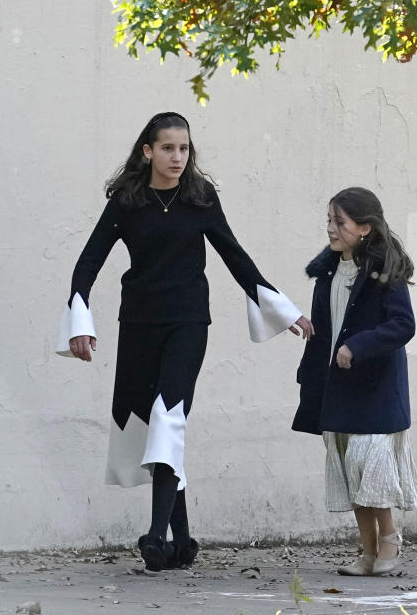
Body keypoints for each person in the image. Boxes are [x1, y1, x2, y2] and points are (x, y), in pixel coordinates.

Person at [55, 112, 313, 572]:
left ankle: (156, 538)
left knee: (166, 417)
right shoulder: (127, 201)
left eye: (185, 148)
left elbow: (234, 255)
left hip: (189, 323)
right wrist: (79, 319)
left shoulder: (199, 197)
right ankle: (184, 541)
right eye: (169, 148)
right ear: (148, 151)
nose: (178, 157)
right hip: (138, 325)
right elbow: (88, 261)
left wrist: (282, 308)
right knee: (149, 427)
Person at [292, 187, 417, 577]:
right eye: (329, 221)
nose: (331, 229)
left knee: (370, 467)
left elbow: (404, 325)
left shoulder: (384, 271)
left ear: (364, 228)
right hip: (337, 386)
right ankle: (367, 551)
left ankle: (390, 541)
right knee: (350, 470)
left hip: (374, 388)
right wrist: (309, 372)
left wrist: (358, 346)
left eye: (340, 222)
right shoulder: (329, 271)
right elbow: (324, 330)